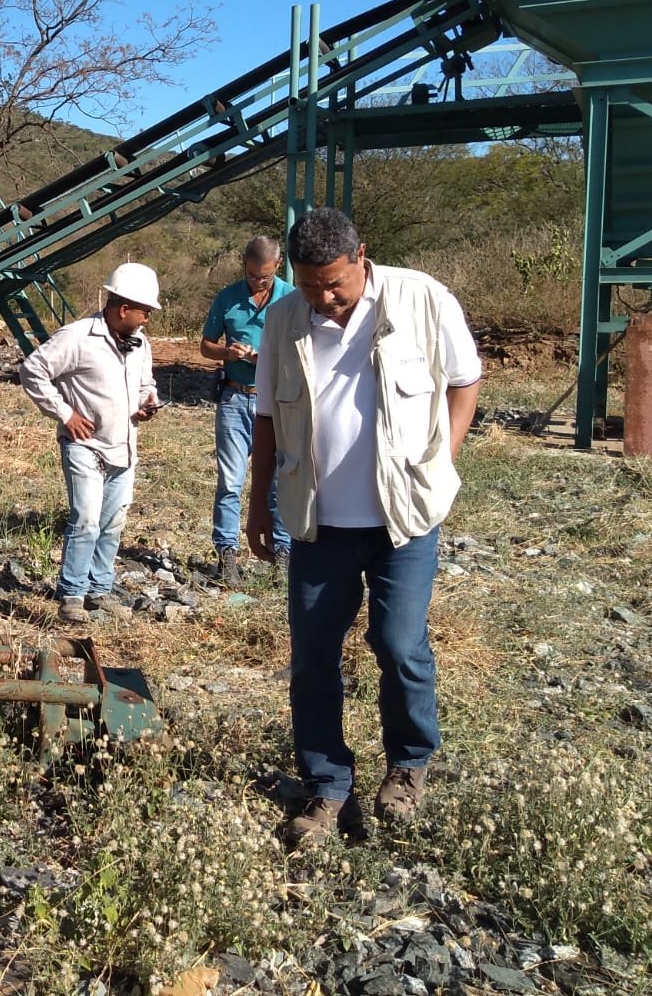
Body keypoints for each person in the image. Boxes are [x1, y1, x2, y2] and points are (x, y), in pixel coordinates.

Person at [246, 208, 481, 846]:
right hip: (319, 522)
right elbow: (267, 417)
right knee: (312, 656)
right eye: (307, 283)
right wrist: (257, 502)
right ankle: (325, 787)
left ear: (362, 257)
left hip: (403, 520)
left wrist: (441, 461)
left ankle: (408, 767)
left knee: (399, 643)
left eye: (333, 284)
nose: (322, 298)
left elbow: (464, 383)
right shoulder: (284, 318)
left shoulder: (422, 298)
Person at [20, 262, 162, 623]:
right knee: (85, 520)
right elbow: (33, 370)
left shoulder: (140, 344)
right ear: (124, 308)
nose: (147, 318)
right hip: (84, 446)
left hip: (124, 446)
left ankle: (99, 589)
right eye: (145, 311)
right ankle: (72, 594)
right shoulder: (78, 337)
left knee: (113, 522)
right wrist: (65, 414)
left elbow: (145, 384)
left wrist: (147, 403)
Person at [200, 235, 294, 584]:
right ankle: (227, 553)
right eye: (253, 275)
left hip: (278, 399)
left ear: (277, 267)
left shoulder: (292, 298)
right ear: (245, 266)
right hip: (235, 398)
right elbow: (206, 346)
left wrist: (269, 358)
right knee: (231, 479)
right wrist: (228, 353)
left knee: (279, 478)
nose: (259, 282)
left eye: (266, 276)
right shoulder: (227, 298)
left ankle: (282, 552)